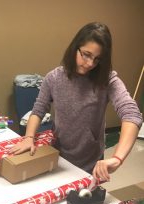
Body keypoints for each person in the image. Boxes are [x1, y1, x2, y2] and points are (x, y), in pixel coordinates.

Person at [10, 22, 143, 182]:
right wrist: (29, 137)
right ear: (75, 47)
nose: (90, 64)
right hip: (59, 156)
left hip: (92, 162)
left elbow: (132, 115)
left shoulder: (107, 80)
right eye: (86, 54)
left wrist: (118, 158)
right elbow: (38, 110)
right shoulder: (54, 78)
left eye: (97, 59)